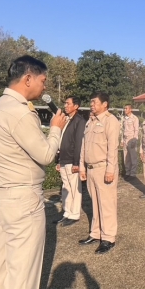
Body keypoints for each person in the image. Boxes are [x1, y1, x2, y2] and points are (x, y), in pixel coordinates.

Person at [0, 55, 66, 289]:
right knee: (22, 274)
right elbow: (45, 154)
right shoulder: (20, 112)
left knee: (0, 267)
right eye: (43, 80)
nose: (44, 86)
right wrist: (55, 128)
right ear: (28, 78)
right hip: (21, 200)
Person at [78, 92, 121, 254]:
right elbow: (84, 146)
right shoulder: (90, 121)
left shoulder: (110, 121)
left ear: (105, 104)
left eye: (95, 102)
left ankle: (108, 238)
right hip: (91, 169)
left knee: (107, 204)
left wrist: (110, 170)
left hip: (104, 168)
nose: (92, 105)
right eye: (91, 102)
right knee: (95, 203)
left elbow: (112, 148)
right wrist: (82, 167)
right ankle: (96, 233)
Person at [57, 96, 85, 228]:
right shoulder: (67, 120)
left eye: (68, 104)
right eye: (65, 104)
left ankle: (74, 214)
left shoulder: (79, 121)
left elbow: (79, 143)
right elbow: (62, 140)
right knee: (66, 188)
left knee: (74, 188)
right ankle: (67, 212)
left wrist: (76, 163)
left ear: (76, 106)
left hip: (72, 160)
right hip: (64, 158)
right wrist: (58, 160)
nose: (65, 106)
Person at [121, 104, 140, 179]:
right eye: (124, 108)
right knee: (126, 157)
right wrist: (122, 140)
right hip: (125, 139)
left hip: (131, 139)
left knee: (133, 157)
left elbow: (136, 130)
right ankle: (127, 172)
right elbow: (123, 130)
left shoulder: (134, 118)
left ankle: (133, 173)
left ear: (130, 109)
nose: (125, 110)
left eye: (126, 108)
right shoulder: (124, 118)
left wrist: (134, 140)